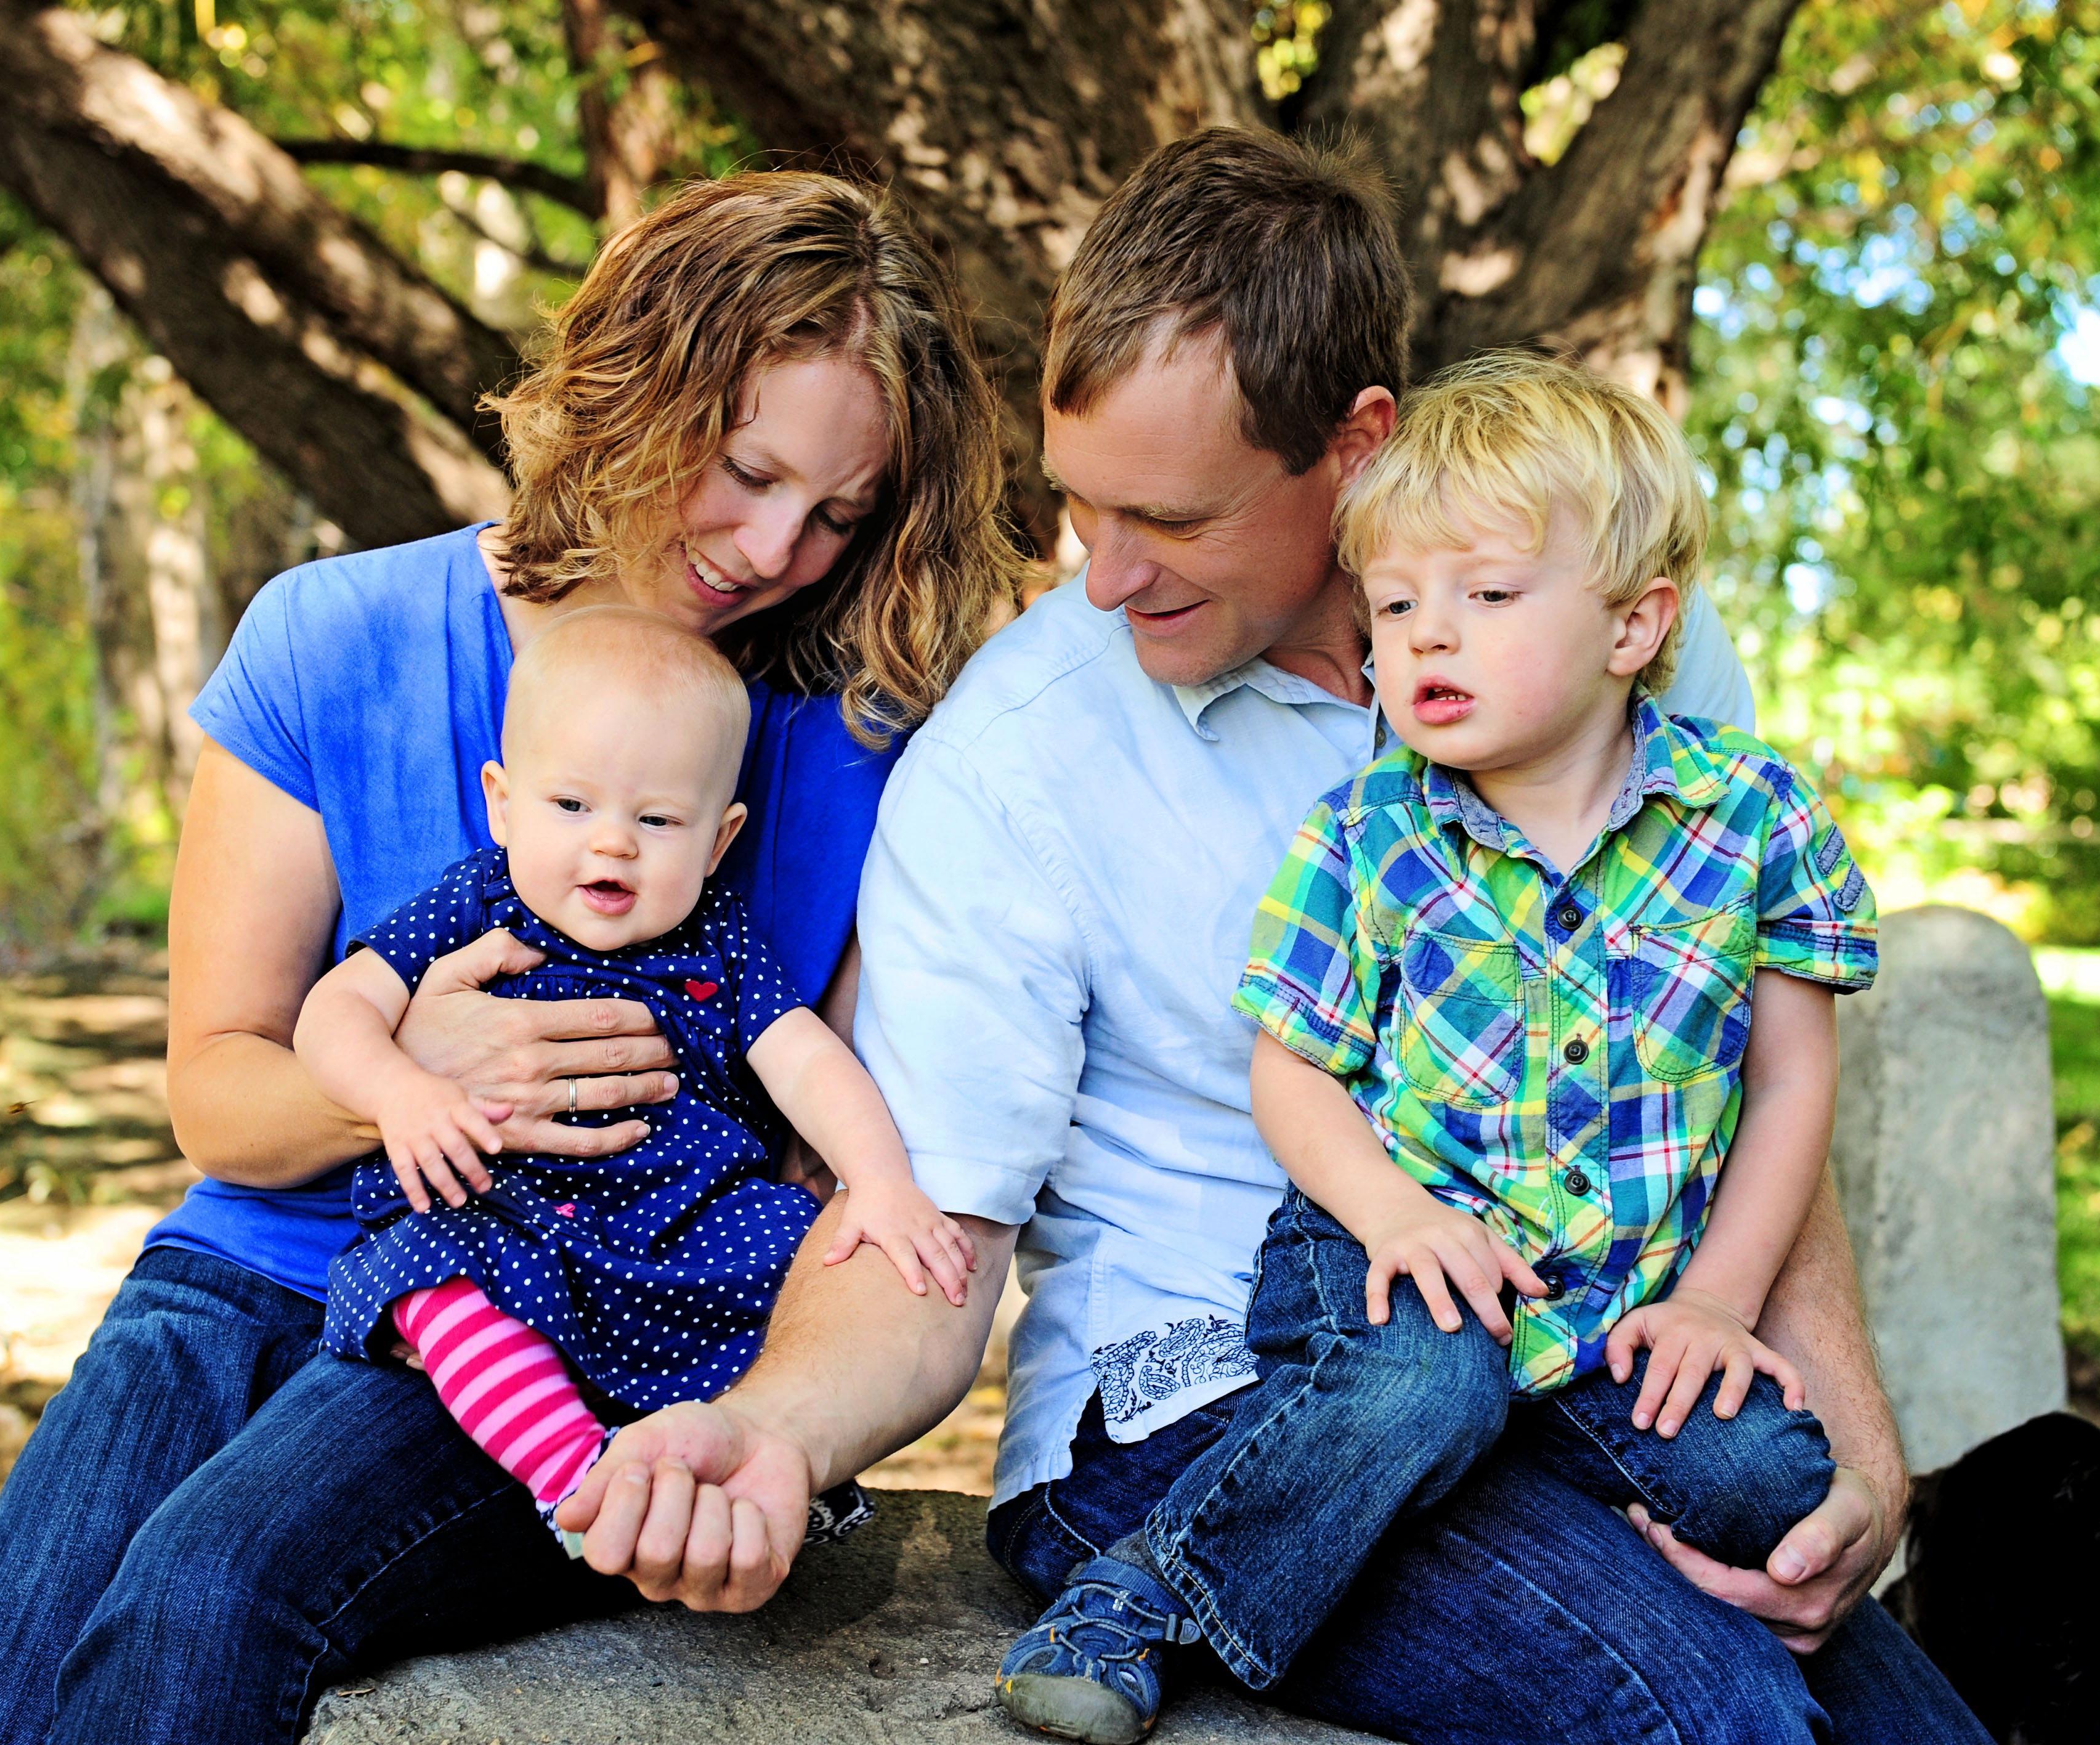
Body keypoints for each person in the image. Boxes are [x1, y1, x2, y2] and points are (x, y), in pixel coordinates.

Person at [557, 130, 1992, 1744]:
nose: (1100, 580)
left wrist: (1856, 1455)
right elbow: (933, 1232)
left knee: (1903, 1717)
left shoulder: (1599, 625)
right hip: (1199, 1408)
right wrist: (775, 1432)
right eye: (1077, 505)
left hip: (1558, 1361)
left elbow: (1729, 1065)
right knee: (1707, 1712)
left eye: (1167, 518)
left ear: (1359, 449)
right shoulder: (1015, 761)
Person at [0, 169, 1018, 1745]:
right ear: (632, 384)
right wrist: (406, 1085)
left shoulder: (856, 740)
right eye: (743, 470)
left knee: (212, 1591)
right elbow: (217, 1098)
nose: (770, 549)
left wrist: (765, 1430)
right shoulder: (331, 638)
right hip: (254, 1265)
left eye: (835, 513)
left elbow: (861, 1159)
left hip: (560, 1304)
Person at [995, 352, 1875, 1743]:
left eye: (1484, 597)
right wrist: (1394, 1215)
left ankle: (1528, 1502)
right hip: (1400, 1252)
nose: (1427, 639)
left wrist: (1715, 1300)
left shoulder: (1749, 820)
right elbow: (1289, 1067)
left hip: (1618, 1290)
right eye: (1396, 605)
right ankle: (1150, 1591)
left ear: (1636, 625)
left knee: (1765, 1480)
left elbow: (1790, 1082)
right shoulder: (1369, 835)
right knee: (1425, 1381)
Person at [299, 606, 973, 1547]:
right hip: (506, 1215)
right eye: (571, 807)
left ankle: (749, 1471)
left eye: (657, 820)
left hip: (687, 1222)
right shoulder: (475, 904)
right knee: (429, 1283)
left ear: (719, 839)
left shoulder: (722, 940)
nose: (612, 842)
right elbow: (334, 1011)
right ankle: (573, 1475)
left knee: (806, 1260)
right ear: (503, 802)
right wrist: (398, 1092)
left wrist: (883, 1182)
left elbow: (809, 1059)